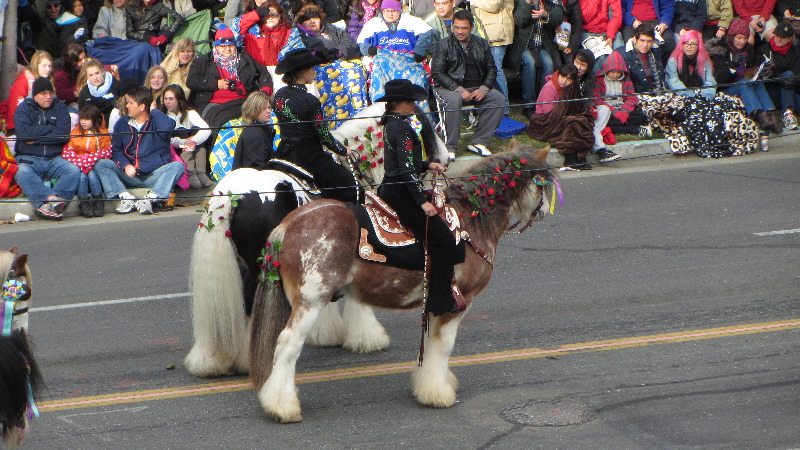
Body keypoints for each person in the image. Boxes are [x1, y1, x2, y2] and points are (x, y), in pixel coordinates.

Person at [376, 79, 463, 317]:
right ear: (395, 103)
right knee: (444, 241)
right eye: (408, 101)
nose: (413, 105)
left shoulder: (393, 123)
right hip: (402, 191)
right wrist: (421, 201)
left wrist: (427, 164)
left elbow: (404, 163)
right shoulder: (403, 128)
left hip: (394, 186)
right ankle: (439, 301)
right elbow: (405, 170)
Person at [272, 48, 358, 202]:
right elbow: (323, 135)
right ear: (303, 71)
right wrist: (342, 150)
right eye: (312, 68)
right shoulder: (310, 101)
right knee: (351, 187)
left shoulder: (280, 95)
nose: (315, 72)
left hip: (284, 151)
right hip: (309, 155)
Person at [95, 86, 184, 214]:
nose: (127, 106)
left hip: (153, 175)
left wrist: (154, 110)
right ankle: (126, 198)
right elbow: (117, 150)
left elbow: (168, 127)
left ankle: (150, 199)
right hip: (128, 174)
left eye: (130, 103)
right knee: (102, 164)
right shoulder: (122, 123)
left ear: (142, 107)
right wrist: (125, 166)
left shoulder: (157, 121)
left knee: (177, 166)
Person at [431, 9, 505, 157]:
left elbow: (491, 69)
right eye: (456, 27)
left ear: (471, 27)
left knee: (498, 99)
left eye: (464, 28)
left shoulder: (482, 44)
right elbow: (437, 73)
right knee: (454, 100)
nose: (460, 31)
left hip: (477, 87)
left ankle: (479, 141)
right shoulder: (443, 45)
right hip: (449, 88)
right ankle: (450, 147)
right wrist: (458, 89)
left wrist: (484, 88)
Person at [279, 3, 367, 121]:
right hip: (315, 66)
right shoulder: (298, 34)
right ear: (301, 21)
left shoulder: (332, 30)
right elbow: (294, 54)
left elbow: (351, 45)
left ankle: (356, 115)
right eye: (307, 19)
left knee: (356, 71)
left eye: (315, 18)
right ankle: (330, 117)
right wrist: (317, 55)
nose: (312, 21)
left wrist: (339, 52)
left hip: (341, 62)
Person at [13, 77, 79, 221]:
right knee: (21, 173)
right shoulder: (23, 108)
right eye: (43, 93)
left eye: (50, 93)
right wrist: (50, 128)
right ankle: (52, 199)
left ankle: (50, 204)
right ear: (35, 95)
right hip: (28, 157)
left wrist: (35, 138)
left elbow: (62, 136)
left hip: (54, 158)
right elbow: (24, 133)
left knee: (73, 171)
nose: (48, 97)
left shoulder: (60, 107)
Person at [356, 0, 436, 103]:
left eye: (394, 11)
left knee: (417, 79)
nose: (390, 14)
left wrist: (420, 50)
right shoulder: (374, 23)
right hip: (383, 62)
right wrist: (369, 49)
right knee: (379, 75)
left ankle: (417, 113)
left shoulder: (411, 21)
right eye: (387, 11)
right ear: (382, 11)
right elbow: (360, 42)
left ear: (399, 10)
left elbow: (427, 33)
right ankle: (382, 109)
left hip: (409, 61)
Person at [708, 18, 781, 131]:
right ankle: (760, 116)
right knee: (744, 82)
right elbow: (719, 80)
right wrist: (732, 66)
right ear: (732, 37)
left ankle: (771, 116)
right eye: (739, 38)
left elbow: (755, 67)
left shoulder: (749, 49)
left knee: (757, 83)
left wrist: (764, 69)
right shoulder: (719, 50)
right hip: (725, 90)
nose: (742, 41)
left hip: (745, 85)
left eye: (745, 38)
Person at [186, 26, 273, 118]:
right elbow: (192, 81)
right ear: (216, 46)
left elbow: (263, 72)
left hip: (244, 101)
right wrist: (215, 83)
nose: (227, 49)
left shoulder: (244, 57)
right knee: (224, 122)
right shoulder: (203, 61)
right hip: (215, 103)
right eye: (223, 46)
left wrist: (264, 92)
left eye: (231, 45)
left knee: (266, 118)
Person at [527, 64, 595, 169]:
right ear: (559, 75)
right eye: (563, 77)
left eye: (568, 79)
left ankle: (580, 157)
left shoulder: (572, 87)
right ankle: (570, 158)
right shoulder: (550, 87)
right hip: (544, 120)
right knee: (571, 125)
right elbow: (549, 113)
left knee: (580, 122)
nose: (564, 81)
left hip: (562, 116)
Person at [508, 0, 566, 117]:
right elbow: (520, 21)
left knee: (549, 64)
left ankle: (544, 102)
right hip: (524, 46)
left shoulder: (552, 2)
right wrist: (528, 4)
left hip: (543, 45)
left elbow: (558, 17)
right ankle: (528, 105)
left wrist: (546, 15)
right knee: (530, 63)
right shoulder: (521, 2)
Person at [592, 51, 646, 161]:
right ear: (607, 70)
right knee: (610, 122)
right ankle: (635, 129)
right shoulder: (599, 81)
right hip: (608, 111)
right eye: (613, 72)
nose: (616, 75)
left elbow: (631, 97)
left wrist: (624, 111)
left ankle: (633, 126)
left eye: (618, 72)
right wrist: (615, 112)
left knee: (641, 116)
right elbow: (597, 99)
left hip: (624, 109)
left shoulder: (625, 80)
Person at [159, 84, 215, 188]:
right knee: (187, 152)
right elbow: (163, 138)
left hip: (189, 143)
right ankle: (191, 174)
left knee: (201, 148)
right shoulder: (162, 114)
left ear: (179, 100)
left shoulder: (189, 112)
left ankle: (201, 173)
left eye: (171, 99)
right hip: (174, 147)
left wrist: (193, 141)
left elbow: (206, 129)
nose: (167, 102)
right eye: (165, 98)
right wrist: (183, 143)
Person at [62, 104, 112, 217]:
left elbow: (107, 152)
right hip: (80, 164)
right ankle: (83, 201)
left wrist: (89, 160)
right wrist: (81, 161)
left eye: (87, 119)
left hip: (94, 165)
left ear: (95, 119)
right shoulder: (76, 132)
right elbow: (69, 149)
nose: (83, 122)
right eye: (82, 119)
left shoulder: (103, 133)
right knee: (82, 177)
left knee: (93, 175)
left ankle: (98, 200)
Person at [470, 0, 515, 114]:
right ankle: (492, 105)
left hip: (497, 34)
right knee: (487, 70)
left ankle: (504, 108)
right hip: (485, 32)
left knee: (495, 70)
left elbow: (493, 5)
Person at [1, 51, 55, 137]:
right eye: (44, 66)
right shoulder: (23, 82)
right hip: (19, 127)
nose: (48, 69)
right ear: (36, 66)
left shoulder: (48, 81)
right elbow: (17, 109)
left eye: (50, 66)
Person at [758, 21, 800, 129]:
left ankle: (788, 111)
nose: (779, 39)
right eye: (777, 36)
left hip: (791, 88)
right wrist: (781, 78)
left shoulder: (796, 51)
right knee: (788, 75)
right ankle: (787, 113)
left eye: (783, 37)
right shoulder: (764, 50)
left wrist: (790, 79)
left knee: (790, 77)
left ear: (790, 38)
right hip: (773, 90)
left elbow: (797, 72)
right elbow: (763, 77)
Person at [234, 0, 292, 69]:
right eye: (266, 15)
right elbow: (238, 26)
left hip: (281, 73)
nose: (270, 18)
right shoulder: (253, 34)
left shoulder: (289, 33)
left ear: (280, 16)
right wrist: (256, 14)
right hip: (258, 73)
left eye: (274, 15)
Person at [665, 29, 716, 99]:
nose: (688, 46)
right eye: (686, 43)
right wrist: (692, 95)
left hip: (702, 95)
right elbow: (673, 82)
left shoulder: (704, 60)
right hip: (680, 96)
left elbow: (710, 80)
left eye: (693, 44)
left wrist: (706, 96)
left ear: (699, 46)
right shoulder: (673, 60)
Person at [233, 91, 276, 170]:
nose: (268, 111)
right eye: (263, 108)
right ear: (254, 110)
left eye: (269, 107)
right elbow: (256, 166)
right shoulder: (254, 134)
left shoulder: (258, 130)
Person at [619, 24, 667, 94]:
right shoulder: (623, 54)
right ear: (635, 39)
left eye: (649, 41)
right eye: (642, 40)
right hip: (637, 95)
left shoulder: (656, 50)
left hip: (658, 91)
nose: (645, 45)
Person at [77, 58, 121, 122]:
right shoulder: (84, 92)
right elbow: (82, 112)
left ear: (102, 71)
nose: (95, 78)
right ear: (87, 77)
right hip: (94, 126)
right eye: (91, 75)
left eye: (97, 73)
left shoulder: (116, 85)